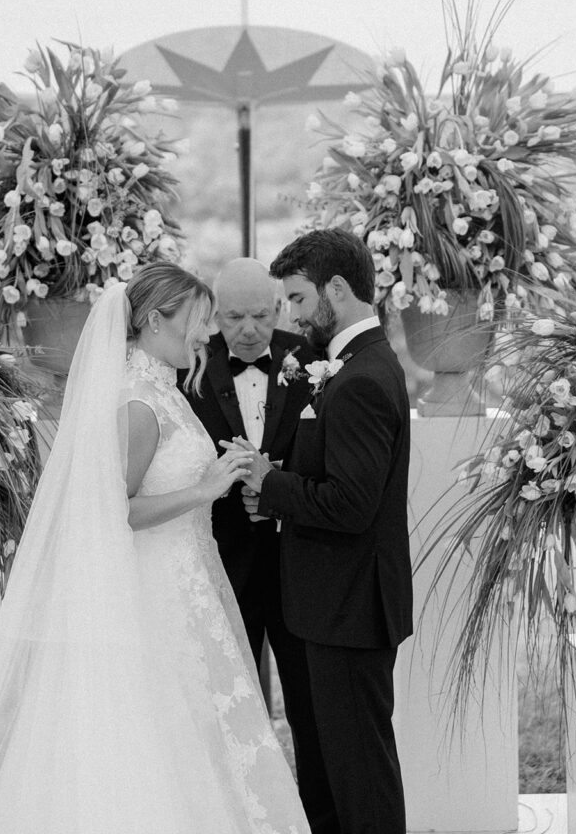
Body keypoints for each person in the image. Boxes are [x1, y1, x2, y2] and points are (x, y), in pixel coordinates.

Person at [0, 263, 311, 834]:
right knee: (162, 738)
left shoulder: (166, 391)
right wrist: (206, 487)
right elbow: (116, 510)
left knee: (200, 738)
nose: (207, 335)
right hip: (156, 594)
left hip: (189, 579)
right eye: (199, 321)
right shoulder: (139, 404)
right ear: (155, 321)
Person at [230, 230, 413, 834]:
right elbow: (342, 476)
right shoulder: (355, 365)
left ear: (337, 288)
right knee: (340, 771)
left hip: (350, 609)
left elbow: (352, 504)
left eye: (300, 299)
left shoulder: (360, 378)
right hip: (336, 606)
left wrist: (271, 482)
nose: (295, 315)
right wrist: (283, 474)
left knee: (362, 778)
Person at [180, 257, 335, 833]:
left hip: (300, 561)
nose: (248, 330)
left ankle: (318, 820)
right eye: (234, 317)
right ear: (214, 314)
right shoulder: (188, 365)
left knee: (310, 706)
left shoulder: (313, 359)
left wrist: (278, 487)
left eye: (262, 316)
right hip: (222, 561)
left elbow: (328, 454)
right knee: (229, 701)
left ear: (278, 310)